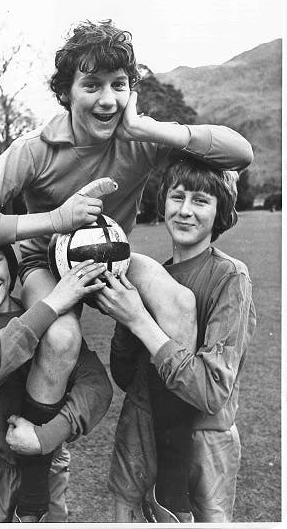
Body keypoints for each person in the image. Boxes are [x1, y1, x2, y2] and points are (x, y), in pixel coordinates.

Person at [0, 20, 253, 513]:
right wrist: (54, 219)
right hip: (47, 263)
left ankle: (171, 481)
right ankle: (35, 493)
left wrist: (148, 127)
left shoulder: (139, 140)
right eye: (92, 85)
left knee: (177, 300)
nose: (107, 99)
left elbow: (241, 152)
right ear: (66, 92)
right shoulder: (35, 149)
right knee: (60, 336)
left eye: (119, 85)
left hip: (114, 257)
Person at [95, 156, 256, 523]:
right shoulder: (154, 275)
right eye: (177, 196)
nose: (184, 211)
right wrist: (125, 317)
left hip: (203, 442)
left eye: (200, 201)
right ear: (163, 201)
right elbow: (124, 376)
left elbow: (211, 393)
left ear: (221, 211)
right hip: (140, 428)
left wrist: (139, 319)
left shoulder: (230, 277)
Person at [0, 245, 112, 522]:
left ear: (10, 264)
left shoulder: (45, 319)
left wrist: (46, 437)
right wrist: (49, 307)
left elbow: (96, 385)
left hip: (46, 468)